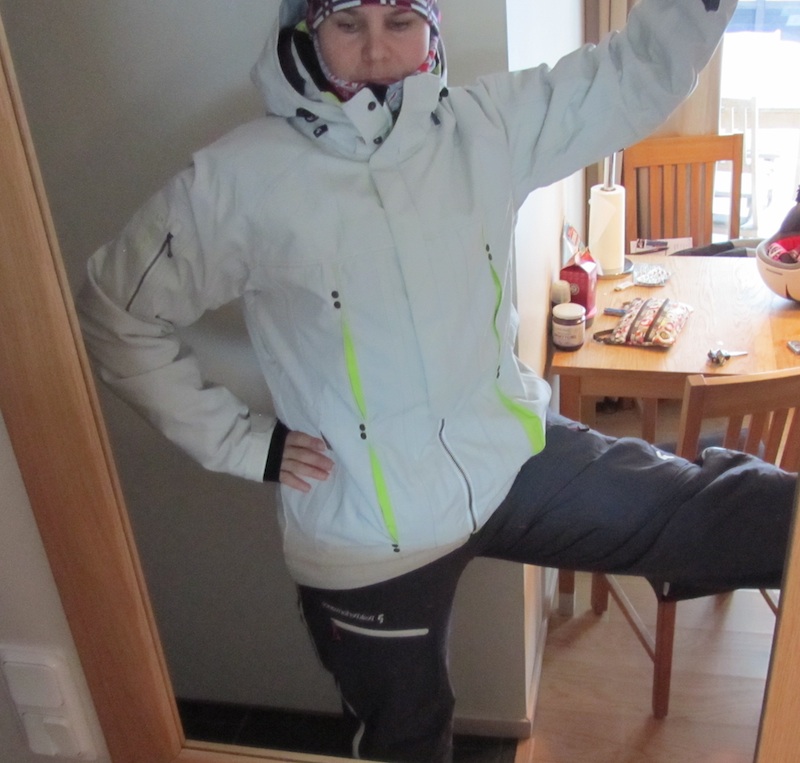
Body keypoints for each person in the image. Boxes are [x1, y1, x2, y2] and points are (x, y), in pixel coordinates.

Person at [76, 0, 796, 760]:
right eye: (348, 24)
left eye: (400, 21)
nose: (377, 51)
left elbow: (635, 75)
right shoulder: (236, 180)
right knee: (407, 741)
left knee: (719, 514)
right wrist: (244, 443)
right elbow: (113, 312)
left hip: (508, 460)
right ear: (306, 28)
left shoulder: (484, 127)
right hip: (366, 530)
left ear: (432, 27)